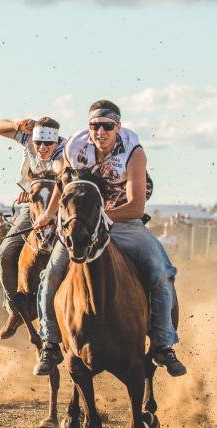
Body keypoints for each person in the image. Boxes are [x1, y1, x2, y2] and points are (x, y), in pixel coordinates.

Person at [32, 100, 186, 377]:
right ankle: (50, 342)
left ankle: (163, 344)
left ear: (118, 127)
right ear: (88, 127)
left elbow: (137, 206)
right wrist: (49, 213)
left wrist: (105, 216)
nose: (100, 132)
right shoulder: (75, 148)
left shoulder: (134, 153)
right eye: (95, 126)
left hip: (125, 222)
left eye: (107, 126)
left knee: (161, 272)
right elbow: (63, 186)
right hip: (83, 225)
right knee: (51, 273)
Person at [0, 116, 65, 339]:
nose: (42, 148)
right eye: (38, 143)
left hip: (60, 207)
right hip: (33, 206)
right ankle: (15, 308)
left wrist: (38, 191)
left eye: (47, 144)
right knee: (3, 253)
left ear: (56, 141)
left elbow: (61, 175)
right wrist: (16, 126)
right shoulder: (29, 139)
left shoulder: (64, 151)